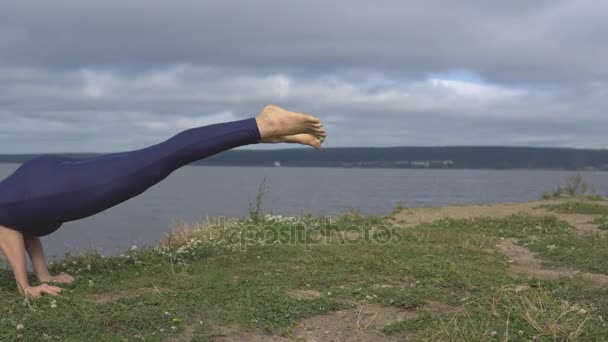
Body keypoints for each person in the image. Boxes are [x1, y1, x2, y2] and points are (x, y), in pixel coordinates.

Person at [0, 105, 326, 298]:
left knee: (164, 156)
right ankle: (267, 133)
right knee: (159, 157)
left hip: (47, 187)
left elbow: (7, 223)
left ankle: (262, 123)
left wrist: (23, 286)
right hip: (41, 180)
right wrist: (42, 276)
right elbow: (22, 221)